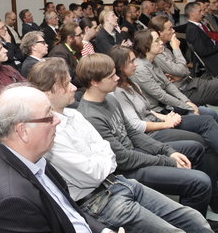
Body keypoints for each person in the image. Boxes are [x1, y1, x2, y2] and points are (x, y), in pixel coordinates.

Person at [29, 57, 213, 233]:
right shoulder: (52, 131)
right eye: (66, 84)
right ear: (48, 92)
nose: (73, 87)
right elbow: (97, 170)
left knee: (193, 219)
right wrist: (165, 159)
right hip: (98, 199)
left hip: (119, 182)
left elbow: (115, 146)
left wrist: (167, 152)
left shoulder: (76, 114)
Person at [76, 53, 213, 216]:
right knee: (200, 182)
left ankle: (195, 214)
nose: (116, 79)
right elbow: (123, 159)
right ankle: (192, 220)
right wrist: (167, 160)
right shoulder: (90, 116)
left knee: (196, 148)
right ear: (94, 82)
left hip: (136, 153)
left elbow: (133, 133)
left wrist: (167, 151)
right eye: (111, 76)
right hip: (125, 171)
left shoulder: (110, 99)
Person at [0, 84, 112, 233]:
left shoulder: (31, 158)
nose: (57, 120)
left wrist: (104, 231)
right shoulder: (13, 203)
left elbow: (68, 211)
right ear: (23, 131)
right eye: (49, 116)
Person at [131, 29, 218, 120]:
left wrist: (187, 101)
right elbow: (161, 95)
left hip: (171, 103)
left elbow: (168, 85)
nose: (161, 42)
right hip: (159, 112)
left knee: (211, 113)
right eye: (157, 40)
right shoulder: (140, 69)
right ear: (146, 46)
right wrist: (187, 105)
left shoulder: (153, 60)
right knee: (206, 120)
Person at [149, 15, 218, 106]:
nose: (173, 31)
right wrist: (176, 48)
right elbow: (183, 71)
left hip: (190, 83)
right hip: (184, 91)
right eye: (170, 29)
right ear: (159, 33)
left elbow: (182, 71)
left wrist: (181, 73)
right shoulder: (157, 52)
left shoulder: (164, 47)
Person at [186, 1, 218, 76]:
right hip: (211, 60)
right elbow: (202, 51)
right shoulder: (192, 29)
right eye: (200, 11)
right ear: (192, 13)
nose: (203, 13)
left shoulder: (198, 25)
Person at [48, 23, 82, 87]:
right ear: (70, 38)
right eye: (79, 35)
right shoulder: (59, 54)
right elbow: (70, 79)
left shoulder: (74, 47)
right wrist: (89, 80)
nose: (82, 37)